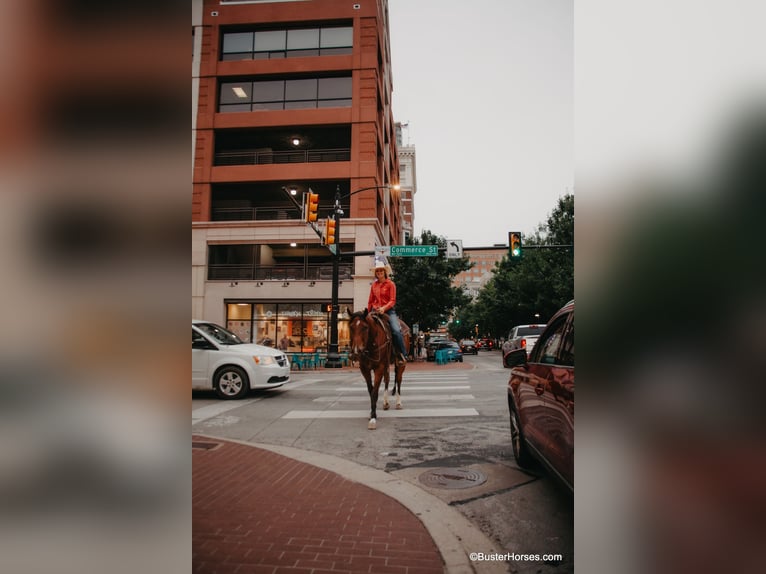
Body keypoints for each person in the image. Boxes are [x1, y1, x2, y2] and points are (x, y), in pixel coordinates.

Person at [367, 259, 407, 363]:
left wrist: (384, 308)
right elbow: (370, 300)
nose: (379, 273)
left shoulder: (391, 284)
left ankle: (402, 354)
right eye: (377, 271)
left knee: (396, 330)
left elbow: (392, 300)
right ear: (376, 273)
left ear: (385, 272)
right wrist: (368, 313)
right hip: (375, 311)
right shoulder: (374, 285)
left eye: (381, 271)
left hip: (388, 311)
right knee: (364, 328)